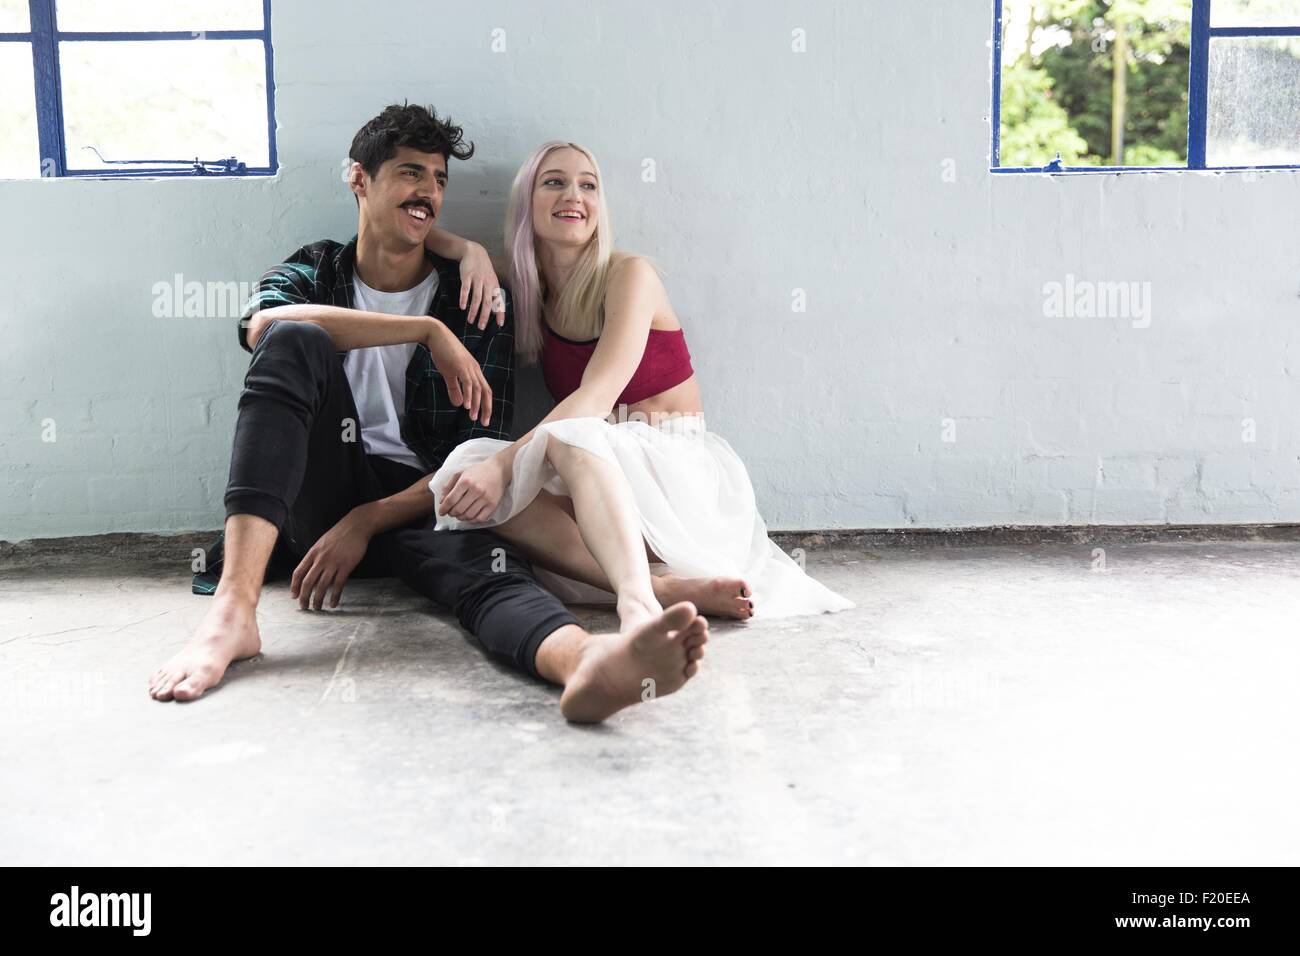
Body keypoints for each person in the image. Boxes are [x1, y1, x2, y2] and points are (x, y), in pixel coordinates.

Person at [149, 106, 712, 723]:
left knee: (494, 573)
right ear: (358, 179)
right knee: (295, 339)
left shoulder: (476, 300)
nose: (428, 193)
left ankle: (587, 663)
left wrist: (369, 518)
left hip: (422, 496)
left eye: (439, 180)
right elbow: (261, 326)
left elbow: (479, 447)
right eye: (410, 174)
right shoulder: (319, 267)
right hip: (320, 492)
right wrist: (424, 331)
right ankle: (233, 615)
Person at [429, 141, 853, 633]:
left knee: (567, 435)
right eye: (554, 182)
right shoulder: (530, 282)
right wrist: (472, 251)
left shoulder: (630, 274)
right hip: (606, 485)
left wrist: (507, 464)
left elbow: (596, 398)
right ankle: (663, 586)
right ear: (527, 202)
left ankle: (636, 601)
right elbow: (425, 237)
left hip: (679, 483)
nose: (574, 195)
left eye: (588, 184)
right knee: (462, 468)